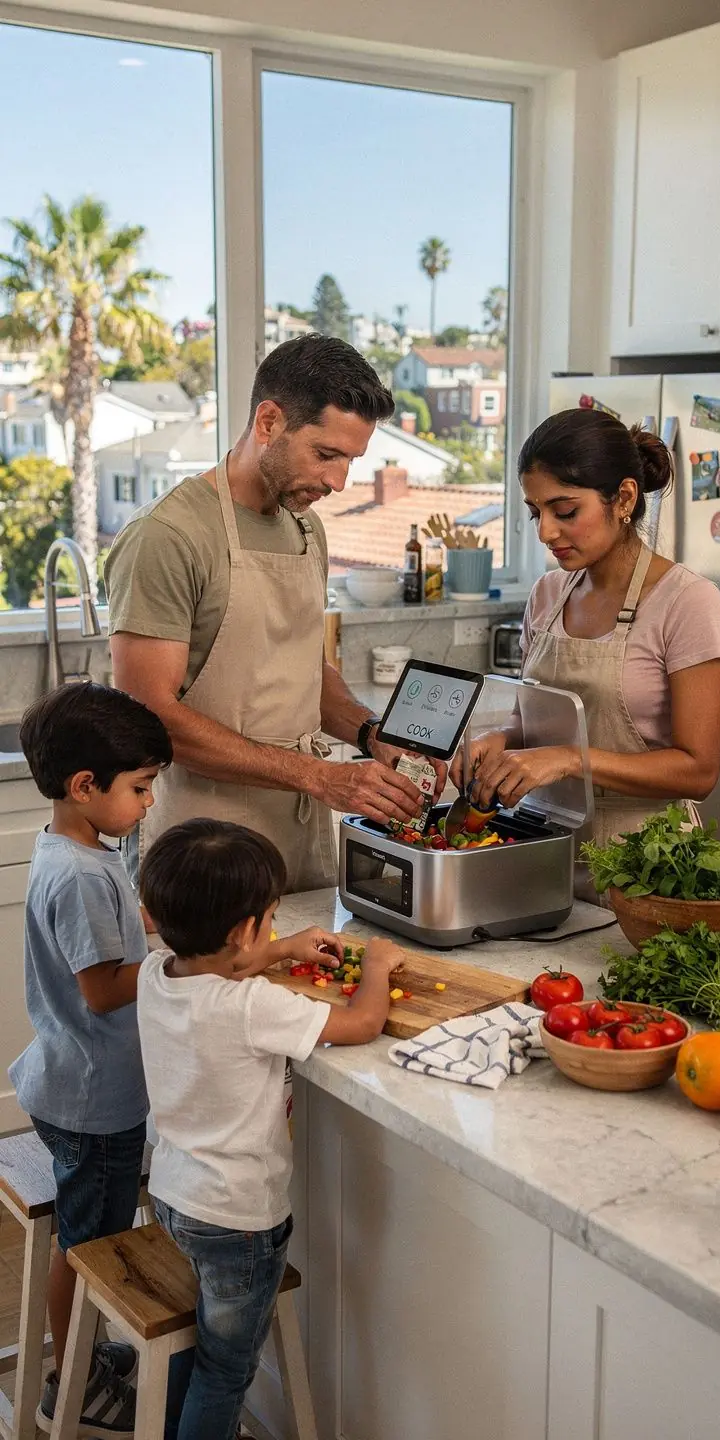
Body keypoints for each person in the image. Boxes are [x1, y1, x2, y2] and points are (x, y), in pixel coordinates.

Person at [105, 334, 443, 894]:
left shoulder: (306, 528)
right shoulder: (167, 536)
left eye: (350, 461)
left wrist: (372, 733)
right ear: (268, 422)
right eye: (326, 455)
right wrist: (318, 776)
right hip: (199, 849)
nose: (338, 482)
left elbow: (304, 671)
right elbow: (150, 718)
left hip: (298, 836)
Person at [137, 818, 400, 1440]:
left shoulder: (153, 977)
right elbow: (361, 1024)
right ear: (244, 930)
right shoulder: (251, 1006)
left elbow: (223, 967)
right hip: (238, 1221)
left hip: (174, 1197)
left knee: (195, 1347)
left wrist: (283, 949)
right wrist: (379, 968)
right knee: (226, 1371)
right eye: (271, 918)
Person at [457, 408, 720, 852]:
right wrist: (502, 740)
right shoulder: (548, 595)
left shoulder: (688, 603)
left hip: (646, 859)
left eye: (565, 511)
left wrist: (571, 761)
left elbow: (699, 772)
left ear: (624, 498)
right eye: (535, 513)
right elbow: (534, 721)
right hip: (545, 844)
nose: (546, 532)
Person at [9, 682, 173, 1435]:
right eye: (140, 788)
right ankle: (69, 1382)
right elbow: (105, 991)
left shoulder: (76, 851)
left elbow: (107, 933)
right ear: (85, 787)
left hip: (73, 1082)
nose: (147, 802)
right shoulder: (79, 875)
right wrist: (187, 966)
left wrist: (144, 921)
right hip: (94, 1104)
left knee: (93, 1236)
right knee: (91, 1250)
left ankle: (89, 1359)